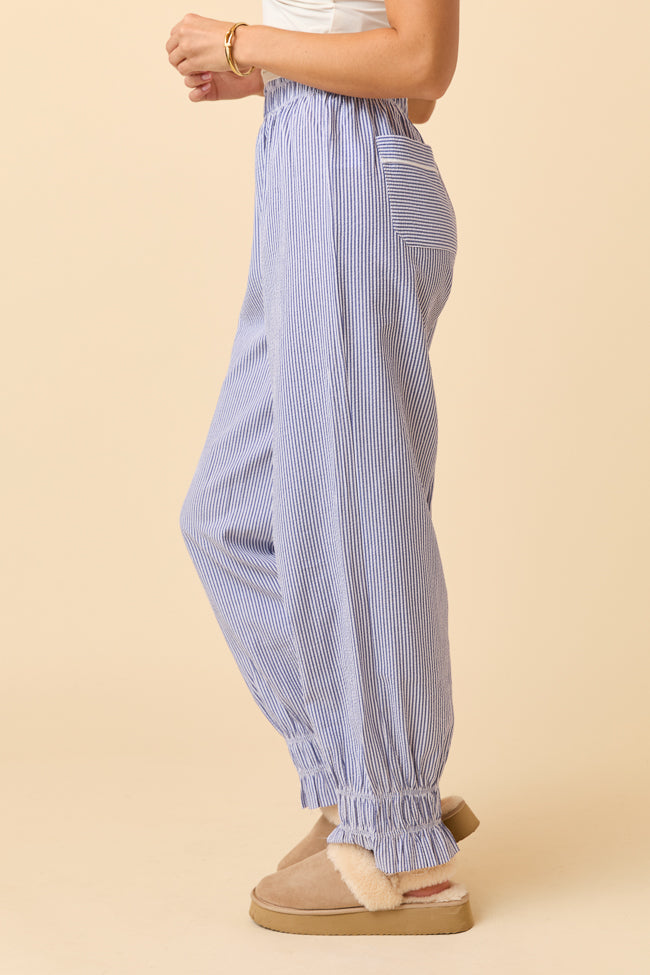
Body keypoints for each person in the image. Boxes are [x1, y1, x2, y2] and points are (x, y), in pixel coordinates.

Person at [166, 0, 478, 936]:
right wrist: (270, 75)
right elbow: (382, 64)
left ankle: (402, 849)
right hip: (309, 186)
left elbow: (423, 67)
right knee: (229, 515)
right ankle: (364, 783)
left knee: (357, 516)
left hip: (349, 193)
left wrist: (241, 43)